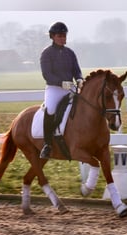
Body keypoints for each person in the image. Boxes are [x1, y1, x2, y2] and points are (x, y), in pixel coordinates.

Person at [39, 21, 84, 159]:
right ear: (52, 36)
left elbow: (76, 70)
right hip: (54, 89)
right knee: (51, 109)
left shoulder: (70, 53)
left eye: (64, 35)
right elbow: (47, 74)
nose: (63, 37)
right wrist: (60, 83)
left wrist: (80, 79)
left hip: (69, 88)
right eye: (60, 35)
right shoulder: (46, 53)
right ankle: (47, 144)